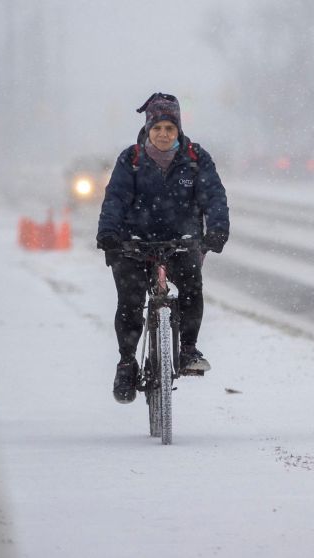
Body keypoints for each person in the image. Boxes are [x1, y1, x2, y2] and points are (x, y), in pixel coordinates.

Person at [96, 92, 229, 404]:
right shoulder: (130, 160)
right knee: (130, 301)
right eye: (158, 128)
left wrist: (218, 229)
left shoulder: (196, 159)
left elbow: (214, 196)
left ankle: (188, 349)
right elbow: (115, 198)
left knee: (192, 289)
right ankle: (127, 362)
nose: (163, 134)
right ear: (147, 129)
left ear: (178, 130)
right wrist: (109, 233)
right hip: (134, 242)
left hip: (182, 241)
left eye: (170, 128)